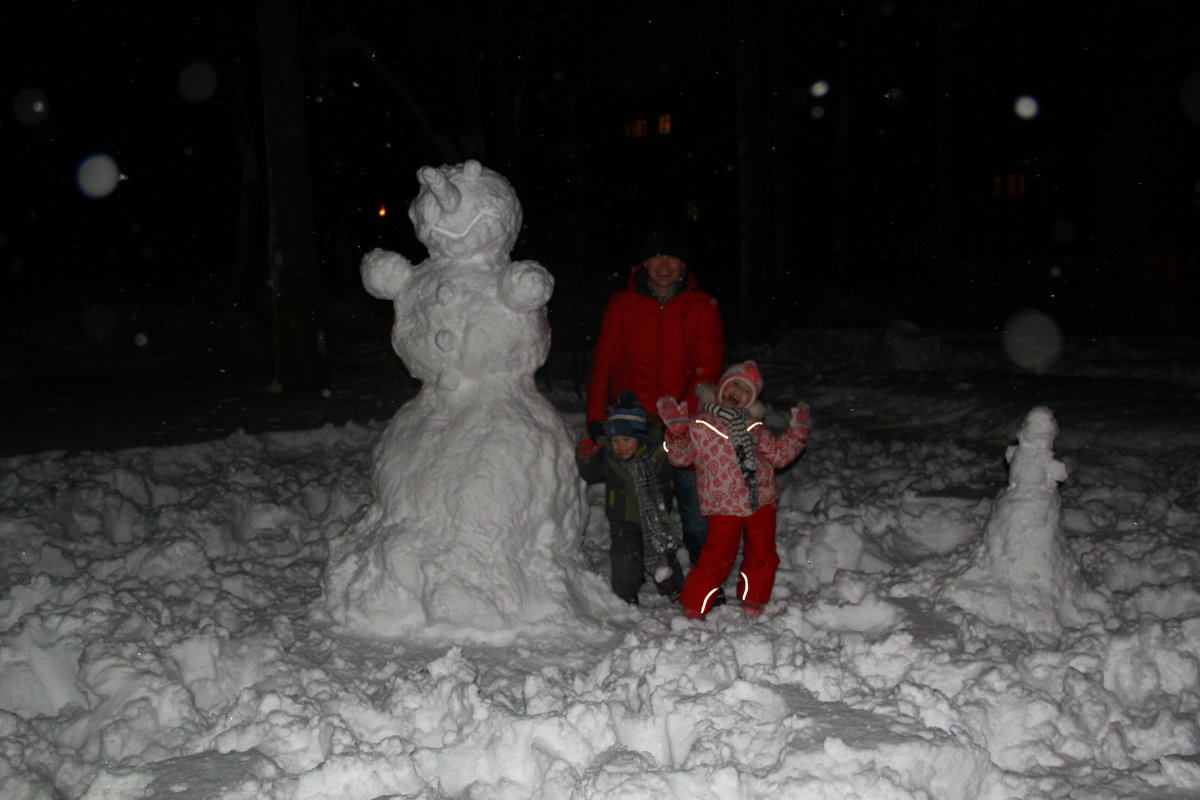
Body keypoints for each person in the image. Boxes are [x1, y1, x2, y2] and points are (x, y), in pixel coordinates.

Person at [586, 229, 724, 570]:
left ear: (683, 264)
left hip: (685, 420)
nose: (665, 265)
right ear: (645, 263)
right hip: (637, 421)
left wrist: (682, 417)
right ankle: (650, 569)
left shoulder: (701, 306)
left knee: (694, 501)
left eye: (673, 258)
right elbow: (605, 360)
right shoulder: (623, 303)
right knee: (642, 503)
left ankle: (703, 571)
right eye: (657, 257)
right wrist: (595, 414)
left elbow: (707, 368)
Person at [657, 361, 810, 619]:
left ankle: (753, 597)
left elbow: (778, 455)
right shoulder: (699, 424)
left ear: (751, 401)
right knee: (717, 556)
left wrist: (797, 435)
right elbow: (681, 458)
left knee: (762, 553)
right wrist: (676, 433)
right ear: (721, 388)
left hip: (760, 500)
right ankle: (695, 604)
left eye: (745, 391)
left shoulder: (755, 427)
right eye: (734, 385)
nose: (737, 393)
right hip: (723, 504)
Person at [576, 391, 684, 604]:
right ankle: (626, 593)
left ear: (640, 437)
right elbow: (591, 474)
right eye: (615, 440)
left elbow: (675, 467)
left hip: (655, 518)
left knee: (664, 552)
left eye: (627, 439)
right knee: (625, 559)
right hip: (623, 519)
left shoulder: (657, 455)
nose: (620, 446)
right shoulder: (610, 458)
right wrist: (586, 458)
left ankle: (673, 587)